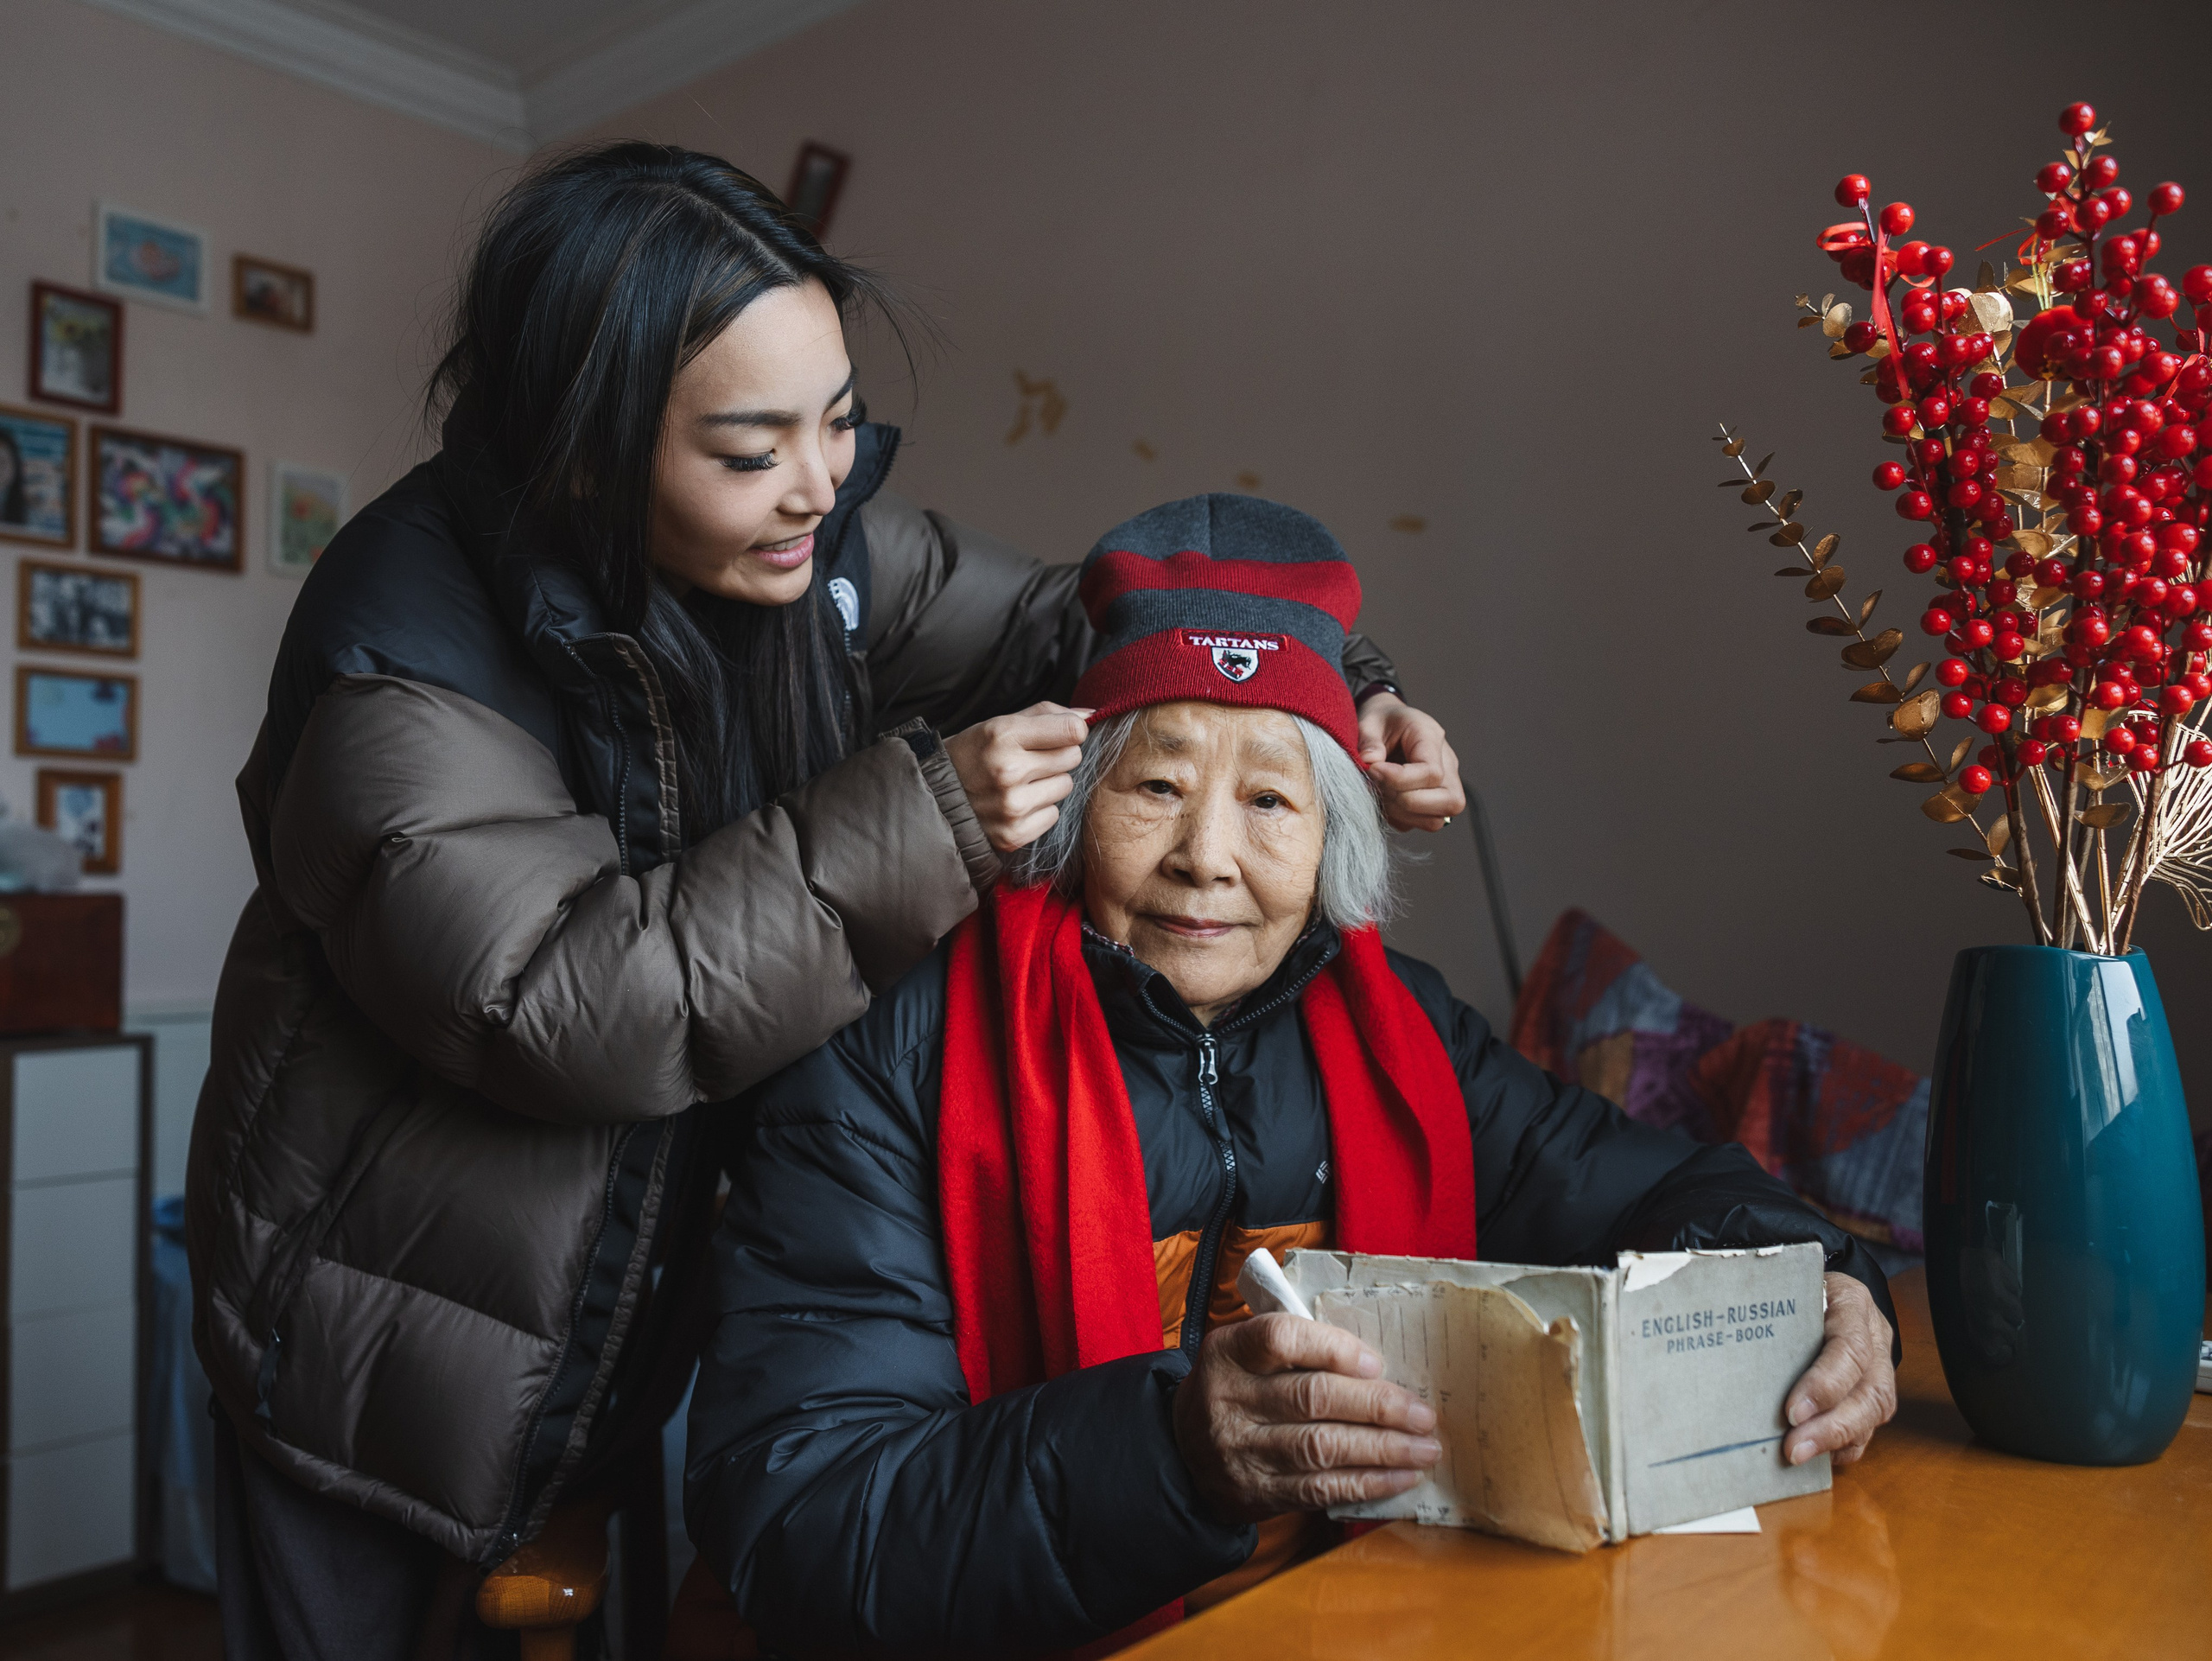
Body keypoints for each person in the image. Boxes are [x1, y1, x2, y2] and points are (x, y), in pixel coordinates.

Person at [183, 147, 1466, 1659]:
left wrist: (1339, 695)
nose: (822, 483)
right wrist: (924, 821)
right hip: (373, 1358)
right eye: (751, 448)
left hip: (619, 1321)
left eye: (841, 421)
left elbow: (1081, 616)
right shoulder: (399, 662)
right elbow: (564, 1002)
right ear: (584, 454)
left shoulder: (824, 550)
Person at [686, 494, 1900, 1658]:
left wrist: (1832, 1288)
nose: (1204, 858)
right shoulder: (891, 1056)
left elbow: (1661, 1190)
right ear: (1068, 802)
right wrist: (1170, 1450)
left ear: (1334, 845)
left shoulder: (1407, 1040)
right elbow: (801, 1516)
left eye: (1269, 798)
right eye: (1155, 785)